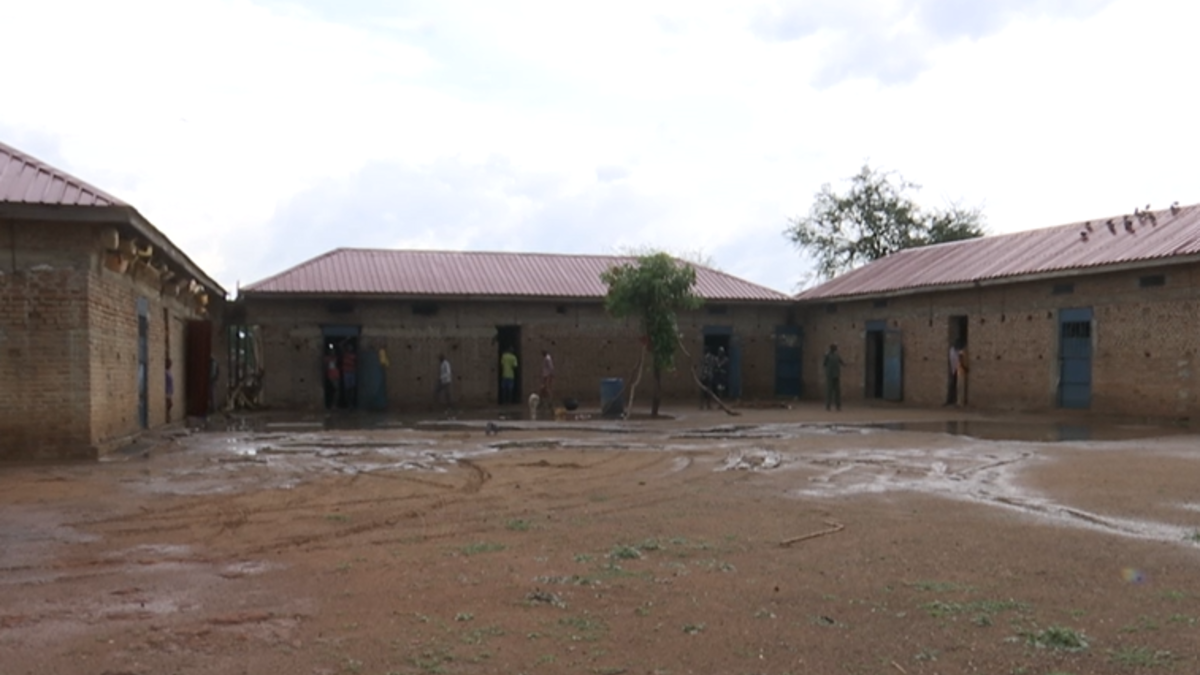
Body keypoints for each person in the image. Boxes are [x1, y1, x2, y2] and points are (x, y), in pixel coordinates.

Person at [822, 343, 845, 411]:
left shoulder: (836, 355)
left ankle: (838, 405)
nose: (835, 349)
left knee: (837, 391)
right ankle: (828, 405)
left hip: (836, 375)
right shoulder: (827, 355)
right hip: (830, 375)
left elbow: (841, 361)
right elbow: (824, 364)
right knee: (829, 391)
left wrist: (844, 364)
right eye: (834, 348)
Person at [341, 342, 358, 409]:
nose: (349, 349)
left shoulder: (354, 356)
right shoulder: (344, 355)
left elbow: (357, 363)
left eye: (350, 348)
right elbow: (340, 346)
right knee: (347, 389)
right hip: (346, 373)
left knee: (352, 389)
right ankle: (348, 404)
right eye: (348, 348)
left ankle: (351, 404)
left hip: (352, 373)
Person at [945, 342, 961, 406]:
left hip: (955, 370)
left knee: (953, 385)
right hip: (955, 370)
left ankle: (952, 400)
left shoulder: (953, 351)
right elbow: (955, 361)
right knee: (954, 385)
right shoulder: (954, 351)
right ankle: (952, 400)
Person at [955, 341, 969, 407]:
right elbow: (961, 361)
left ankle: (960, 402)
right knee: (961, 388)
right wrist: (965, 367)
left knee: (961, 388)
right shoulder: (961, 352)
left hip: (961, 371)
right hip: (961, 371)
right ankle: (960, 402)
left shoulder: (961, 352)